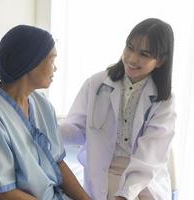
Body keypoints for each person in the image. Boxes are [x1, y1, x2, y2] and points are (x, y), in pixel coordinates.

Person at [0, 25, 91, 200]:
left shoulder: (43, 105)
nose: (56, 68)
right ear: (31, 63)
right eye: (52, 60)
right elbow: (3, 193)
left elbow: (57, 162)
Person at [60, 18, 175, 200]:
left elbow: (149, 159)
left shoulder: (163, 101)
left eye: (144, 54)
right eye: (130, 47)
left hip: (143, 179)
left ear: (160, 61)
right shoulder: (96, 84)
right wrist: (45, 128)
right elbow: (76, 129)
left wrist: (124, 195)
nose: (132, 59)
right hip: (102, 172)